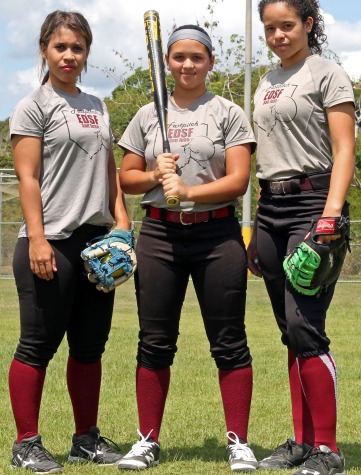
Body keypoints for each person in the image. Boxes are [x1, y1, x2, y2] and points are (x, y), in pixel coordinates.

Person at [116, 24, 258, 473]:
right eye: (178, 57)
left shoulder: (228, 112)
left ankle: (238, 442)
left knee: (229, 342)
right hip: (160, 235)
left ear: (211, 62)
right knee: (155, 342)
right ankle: (147, 440)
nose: (187, 65)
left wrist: (192, 192)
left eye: (197, 57)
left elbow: (239, 181)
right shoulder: (145, 115)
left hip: (217, 236)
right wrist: (158, 177)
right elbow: (126, 178)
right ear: (167, 63)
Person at [7, 10, 131, 474]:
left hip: (96, 243)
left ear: (86, 53)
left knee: (89, 346)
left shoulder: (97, 105)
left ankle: (85, 439)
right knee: (37, 345)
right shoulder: (33, 106)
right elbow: (28, 177)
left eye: (77, 48)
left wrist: (121, 221)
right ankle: (26, 443)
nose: (69, 56)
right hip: (51, 242)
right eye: (60, 47)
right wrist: (37, 239)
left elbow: (108, 171)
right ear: (44, 50)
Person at [247, 1, 356, 475]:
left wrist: (331, 214)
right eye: (270, 28)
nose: (278, 35)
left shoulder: (326, 73)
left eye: (287, 26)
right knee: (290, 333)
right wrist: (255, 227)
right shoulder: (265, 82)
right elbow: (264, 160)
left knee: (305, 326)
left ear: (308, 24)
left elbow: (344, 147)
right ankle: (302, 441)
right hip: (270, 208)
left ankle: (327, 448)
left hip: (313, 205)